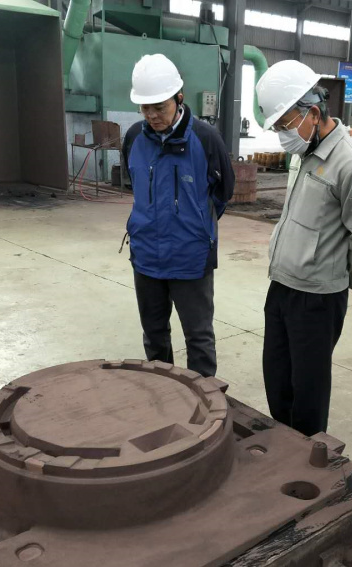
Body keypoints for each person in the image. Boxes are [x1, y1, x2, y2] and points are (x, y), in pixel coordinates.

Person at [254, 60, 352, 436]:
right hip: (282, 286)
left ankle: (306, 458)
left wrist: (345, 277)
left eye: (284, 125)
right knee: (278, 380)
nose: (282, 135)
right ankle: (284, 449)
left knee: (307, 391)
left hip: (317, 299)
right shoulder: (304, 152)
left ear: (312, 113)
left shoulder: (351, 166)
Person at [121, 54, 234, 378]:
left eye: (160, 107)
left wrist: (195, 226)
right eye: (145, 108)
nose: (152, 115)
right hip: (146, 257)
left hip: (190, 259)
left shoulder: (205, 138)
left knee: (198, 338)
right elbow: (136, 187)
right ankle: (163, 394)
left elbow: (223, 192)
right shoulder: (134, 138)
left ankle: (205, 400)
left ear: (179, 98)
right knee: (154, 336)